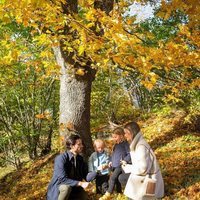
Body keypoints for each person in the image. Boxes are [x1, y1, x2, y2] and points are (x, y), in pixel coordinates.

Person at [122, 121, 164, 200]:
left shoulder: (141, 146)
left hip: (147, 180)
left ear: (131, 133)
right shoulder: (137, 144)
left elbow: (142, 169)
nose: (125, 135)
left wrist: (128, 168)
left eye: (126, 133)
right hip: (144, 178)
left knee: (130, 196)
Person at [47, 133, 90, 200]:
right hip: (59, 187)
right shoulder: (61, 158)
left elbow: (85, 175)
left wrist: (97, 171)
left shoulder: (80, 159)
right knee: (66, 188)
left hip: (74, 186)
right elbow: (62, 179)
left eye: (81, 144)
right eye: (79, 144)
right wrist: (80, 183)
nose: (82, 146)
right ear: (72, 146)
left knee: (84, 196)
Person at [99, 127, 131, 200]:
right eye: (113, 137)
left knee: (113, 178)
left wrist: (125, 160)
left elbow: (130, 154)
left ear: (121, 136)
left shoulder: (125, 144)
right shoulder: (116, 145)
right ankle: (119, 192)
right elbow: (112, 155)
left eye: (115, 137)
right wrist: (110, 161)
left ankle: (108, 193)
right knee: (116, 179)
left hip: (120, 165)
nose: (114, 139)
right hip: (114, 165)